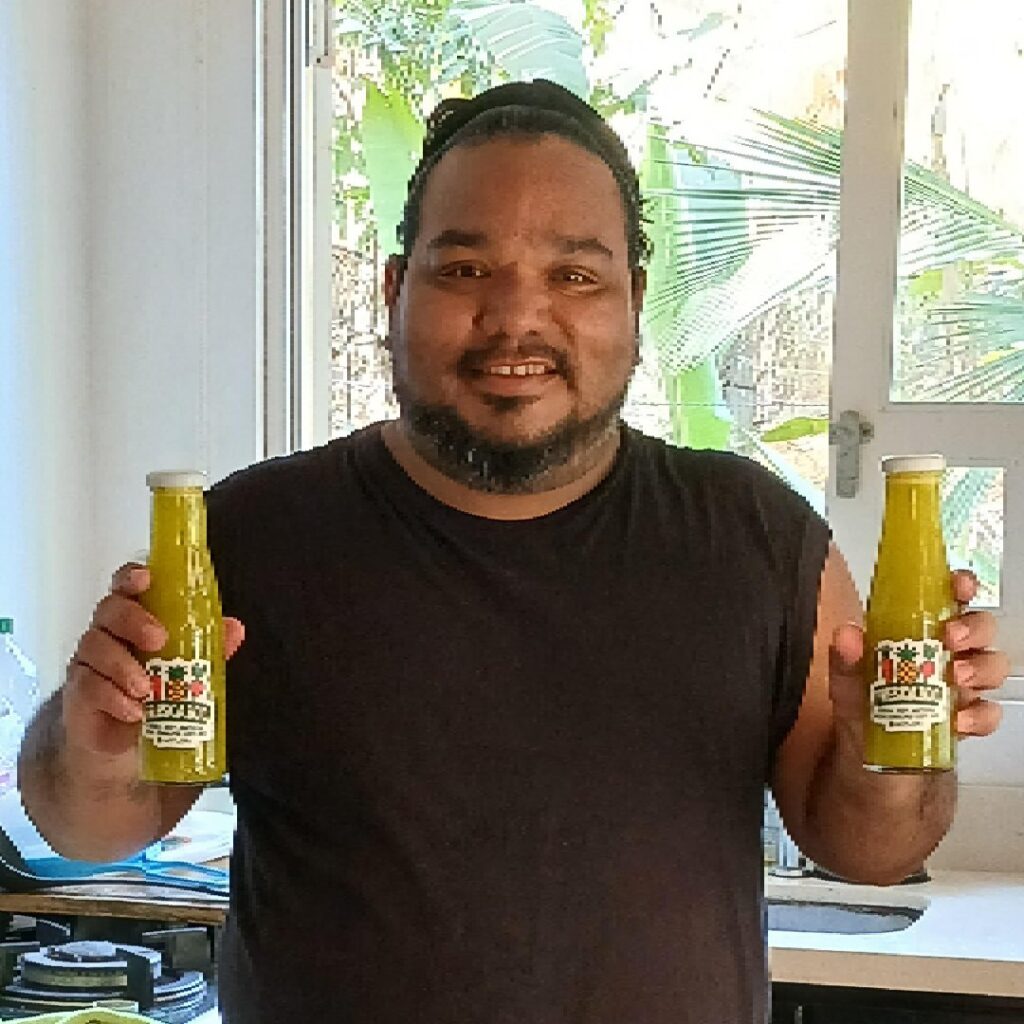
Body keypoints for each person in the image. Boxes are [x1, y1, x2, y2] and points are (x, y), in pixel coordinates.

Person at [18, 81, 1007, 1024]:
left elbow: (870, 852)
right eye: (465, 269)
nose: (517, 319)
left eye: (574, 274)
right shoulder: (249, 536)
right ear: (396, 289)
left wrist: (887, 759)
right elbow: (88, 825)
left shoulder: (754, 536)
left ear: (631, 301)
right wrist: (92, 735)